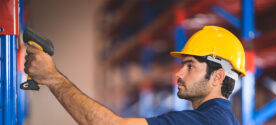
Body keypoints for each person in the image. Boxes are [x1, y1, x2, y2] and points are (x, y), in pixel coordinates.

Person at [25, 26, 245, 125]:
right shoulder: (226, 120)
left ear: (217, 77)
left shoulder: (204, 122)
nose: (178, 73)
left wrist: (53, 77)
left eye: (189, 66)